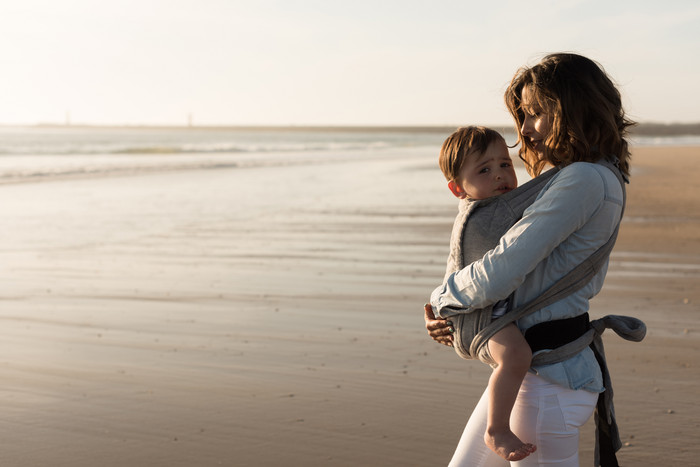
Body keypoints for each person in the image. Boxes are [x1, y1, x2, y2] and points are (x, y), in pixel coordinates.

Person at [424, 53, 635, 466]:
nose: (524, 130)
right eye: (523, 115)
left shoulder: (584, 179)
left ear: (574, 106)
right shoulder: (588, 174)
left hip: (549, 383)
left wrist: (444, 299)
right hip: (535, 377)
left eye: (536, 113)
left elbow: (501, 269)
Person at [437, 125, 536, 461]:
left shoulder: (476, 211)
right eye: (484, 169)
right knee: (516, 357)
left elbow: (453, 265)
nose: (499, 176)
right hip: (479, 319)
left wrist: (438, 307)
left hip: (474, 311)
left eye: (505, 164)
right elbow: (547, 189)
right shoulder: (488, 211)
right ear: (457, 189)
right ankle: (497, 429)